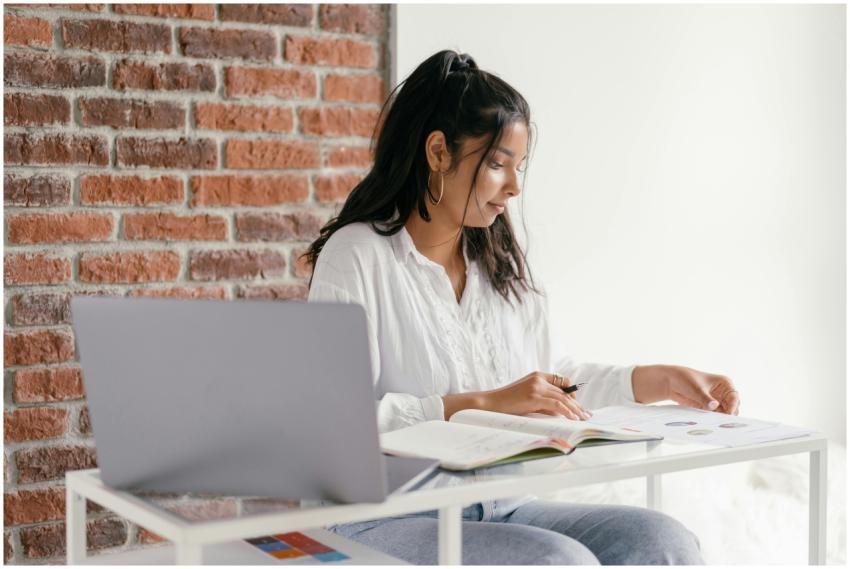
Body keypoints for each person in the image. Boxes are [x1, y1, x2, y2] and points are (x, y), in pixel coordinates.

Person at [301, 49, 740, 565]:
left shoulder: (496, 263)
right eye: (497, 164)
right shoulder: (357, 257)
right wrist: (483, 403)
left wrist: (655, 380)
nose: (514, 187)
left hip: (500, 507)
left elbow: (548, 382)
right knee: (558, 561)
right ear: (438, 152)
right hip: (384, 517)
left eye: (518, 166)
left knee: (662, 541)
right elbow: (332, 426)